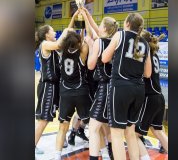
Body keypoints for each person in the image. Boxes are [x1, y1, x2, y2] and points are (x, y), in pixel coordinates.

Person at [102, 13, 152, 160]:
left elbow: (105, 58)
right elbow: (148, 74)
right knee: (130, 132)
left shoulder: (120, 35)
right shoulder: (145, 43)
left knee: (117, 133)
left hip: (121, 88)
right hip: (138, 89)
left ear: (128, 24)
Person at [54, 10, 92, 160]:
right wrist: (84, 19)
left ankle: (57, 156)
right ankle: (105, 152)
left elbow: (66, 34)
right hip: (81, 92)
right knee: (94, 126)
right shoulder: (82, 51)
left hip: (66, 93)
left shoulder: (61, 51)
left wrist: (73, 19)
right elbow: (86, 38)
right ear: (77, 42)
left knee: (62, 127)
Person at [83, 13, 118, 160]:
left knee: (93, 128)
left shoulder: (99, 42)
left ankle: (96, 157)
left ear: (104, 27)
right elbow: (95, 28)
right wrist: (86, 15)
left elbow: (90, 66)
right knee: (106, 126)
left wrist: (91, 46)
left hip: (105, 87)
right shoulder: (115, 41)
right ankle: (109, 153)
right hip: (116, 86)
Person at [34, 24, 72, 155]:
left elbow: (61, 41)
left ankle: (63, 139)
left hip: (56, 86)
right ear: (46, 34)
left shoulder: (52, 44)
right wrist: (66, 30)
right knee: (43, 119)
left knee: (62, 114)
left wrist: (73, 20)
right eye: (53, 30)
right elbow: (58, 45)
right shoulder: (45, 44)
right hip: (47, 86)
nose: (55, 32)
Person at [136, 31, 168, 159]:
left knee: (133, 134)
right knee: (157, 131)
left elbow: (144, 75)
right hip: (159, 96)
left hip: (149, 98)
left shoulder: (144, 55)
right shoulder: (155, 55)